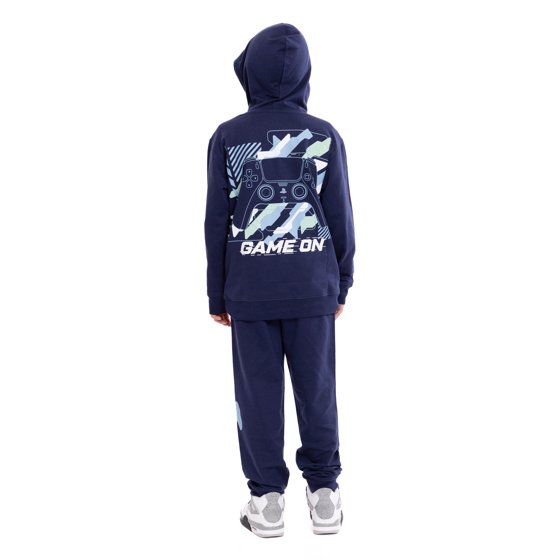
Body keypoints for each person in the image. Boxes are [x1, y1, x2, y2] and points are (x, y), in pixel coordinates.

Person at [204, 23, 356, 537]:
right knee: (318, 390)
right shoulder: (324, 135)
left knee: (257, 395)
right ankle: (325, 495)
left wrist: (217, 291)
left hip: (249, 292)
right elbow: (340, 215)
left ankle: (267, 501)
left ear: (250, 72)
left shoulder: (228, 137)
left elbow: (216, 220)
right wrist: (342, 281)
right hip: (313, 286)